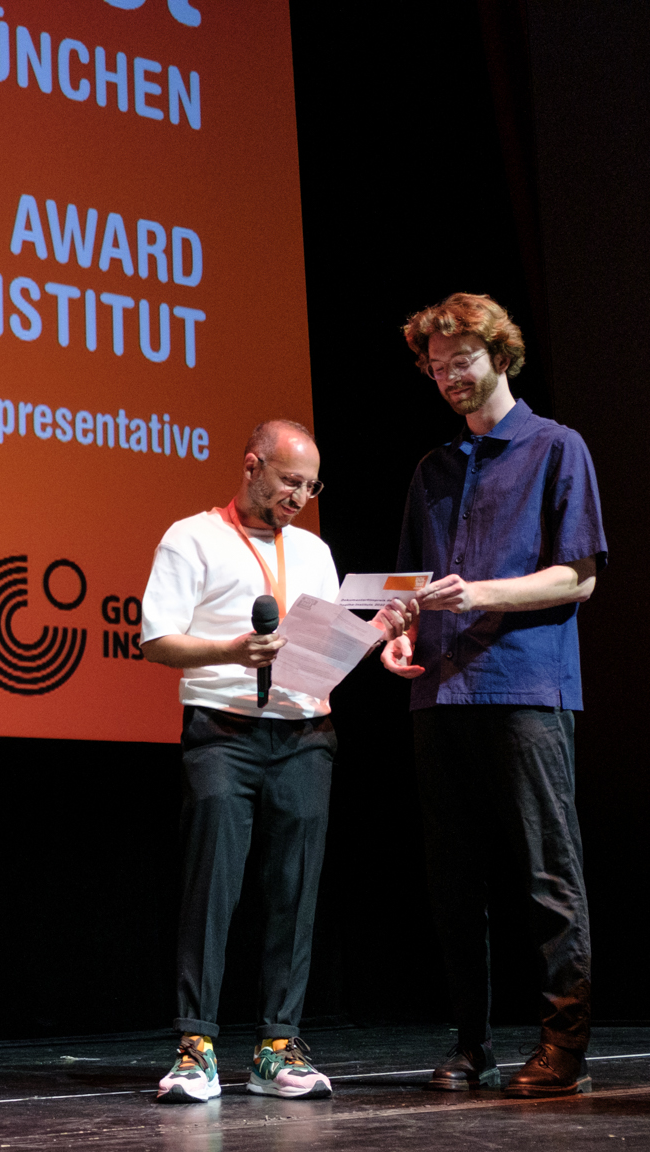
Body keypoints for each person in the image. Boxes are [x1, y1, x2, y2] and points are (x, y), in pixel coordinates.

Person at [139, 421, 411, 1103]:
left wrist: (378, 635)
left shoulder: (314, 551)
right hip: (223, 731)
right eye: (290, 481)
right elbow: (157, 640)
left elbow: (325, 648)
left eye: (311, 486)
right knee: (212, 886)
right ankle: (196, 1048)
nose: (299, 496)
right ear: (251, 465)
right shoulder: (191, 537)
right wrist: (232, 650)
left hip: (305, 732)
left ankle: (277, 1047)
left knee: (295, 888)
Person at [382, 292, 606, 1098]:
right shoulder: (432, 469)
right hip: (440, 692)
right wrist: (399, 631)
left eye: (462, 360)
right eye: (437, 367)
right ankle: (471, 1042)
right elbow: (409, 585)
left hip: (526, 684)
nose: (448, 376)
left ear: (500, 356)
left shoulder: (556, 447)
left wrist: (477, 594)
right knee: (453, 879)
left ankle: (565, 1045)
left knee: (548, 869)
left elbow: (577, 577)